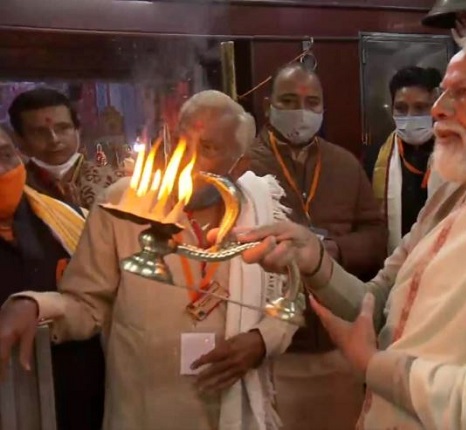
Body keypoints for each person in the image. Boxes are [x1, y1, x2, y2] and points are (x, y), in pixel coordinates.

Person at [235, 32, 466, 429]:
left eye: (464, 92)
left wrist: (374, 366)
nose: (438, 109)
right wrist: (314, 260)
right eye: (443, 92)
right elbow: (380, 306)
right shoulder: (455, 190)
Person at [0, 90, 296, 430]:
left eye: (209, 149)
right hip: (144, 408)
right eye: (181, 142)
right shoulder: (123, 204)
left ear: (239, 162)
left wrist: (262, 341)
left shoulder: (262, 212)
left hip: (231, 408)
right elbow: (85, 303)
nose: (186, 159)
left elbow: (290, 299)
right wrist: (36, 305)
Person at [248, 62, 387, 430]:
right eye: (290, 100)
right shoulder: (243, 165)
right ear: (268, 105)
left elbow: (376, 235)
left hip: (338, 342)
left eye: (312, 102)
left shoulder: (344, 163)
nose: (301, 112)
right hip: (272, 348)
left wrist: (335, 251)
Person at [0, 126, 105, 430]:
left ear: (20, 155)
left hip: (80, 401)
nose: (2, 169)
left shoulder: (70, 220)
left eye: (6, 155)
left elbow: (97, 302)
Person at [8, 87, 125, 209]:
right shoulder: (13, 188)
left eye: (63, 128)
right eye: (40, 132)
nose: (54, 140)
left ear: (77, 130)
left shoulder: (114, 181)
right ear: (20, 139)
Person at [372, 66, 443, 254]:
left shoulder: (456, 154)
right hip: (394, 261)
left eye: (420, 108)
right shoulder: (376, 156)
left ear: (436, 106)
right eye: (401, 108)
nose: (410, 116)